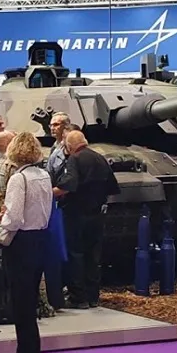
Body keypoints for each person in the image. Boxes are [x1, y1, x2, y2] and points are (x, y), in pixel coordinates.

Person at [0, 132, 54, 353]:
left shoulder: (18, 179)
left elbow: (15, 217)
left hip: (20, 243)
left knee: (22, 306)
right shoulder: (44, 175)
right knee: (26, 302)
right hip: (39, 239)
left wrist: (3, 221)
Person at [54, 131, 120, 309]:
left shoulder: (74, 159)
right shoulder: (100, 158)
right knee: (93, 255)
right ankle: (93, 296)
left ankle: (78, 297)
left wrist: (49, 192)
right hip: (97, 214)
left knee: (75, 254)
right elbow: (112, 187)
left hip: (75, 214)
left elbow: (69, 184)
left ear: (69, 146)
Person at [46, 112, 72, 185]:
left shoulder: (70, 147)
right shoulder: (54, 146)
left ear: (66, 126)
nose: (52, 128)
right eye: (51, 125)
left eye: (56, 125)